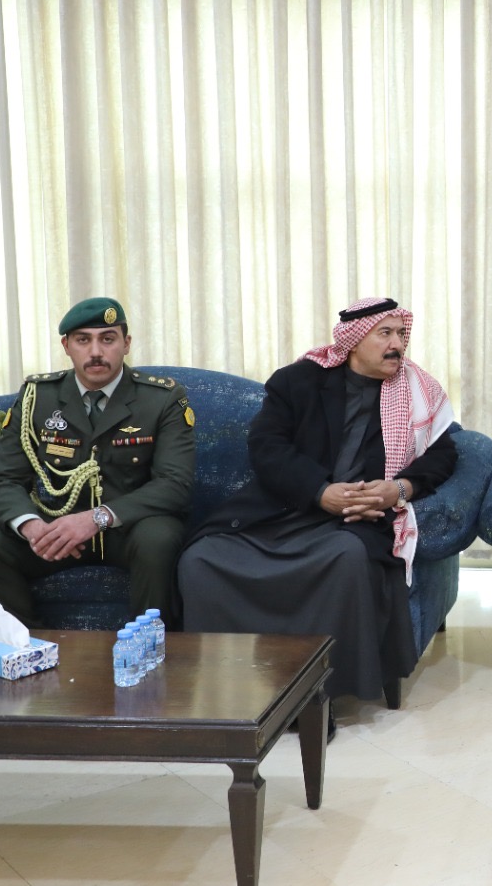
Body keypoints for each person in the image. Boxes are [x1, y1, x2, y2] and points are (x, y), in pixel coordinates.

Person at [179, 298, 458, 726]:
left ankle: (317, 697)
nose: (396, 344)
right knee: (201, 560)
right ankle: (227, 688)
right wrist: (319, 491)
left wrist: (398, 489)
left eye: (401, 334)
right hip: (285, 509)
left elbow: (444, 455)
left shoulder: (418, 391)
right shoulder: (297, 382)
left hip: (358, 520)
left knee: (346, 560)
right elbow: (267, 448)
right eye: (384, 333)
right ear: (353, 340)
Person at [0, 298, 195, 626]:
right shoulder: (37, 396)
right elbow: (3, 480)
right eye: (83, 340)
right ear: (66, 346)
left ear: (126, 344)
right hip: (57, 526)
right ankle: (25, 647)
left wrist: (96, 518)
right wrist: (33, 528)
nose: (96, 351)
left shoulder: (162, 398)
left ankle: (150, 647)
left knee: (158, 539)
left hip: (129, 526)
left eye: (108, 339)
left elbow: (175, 484)